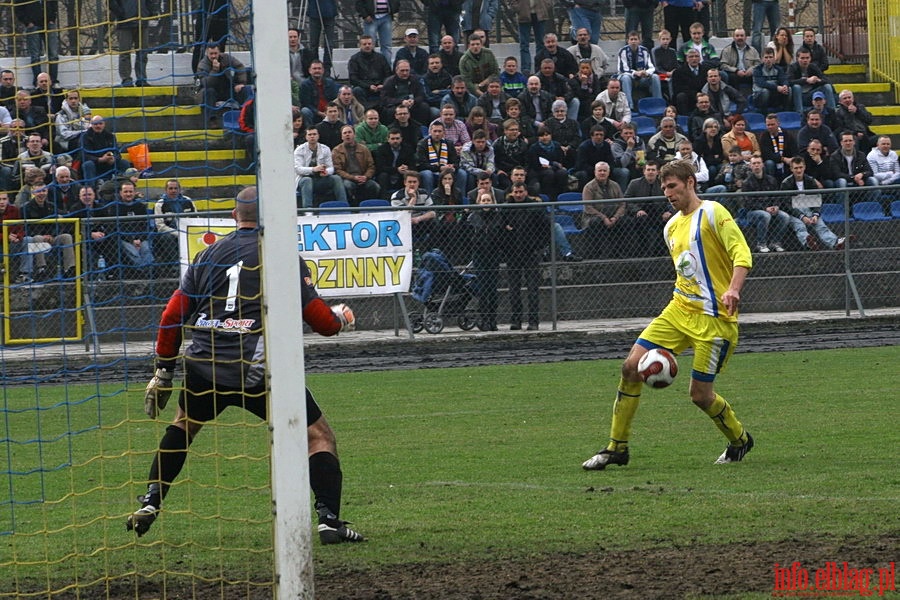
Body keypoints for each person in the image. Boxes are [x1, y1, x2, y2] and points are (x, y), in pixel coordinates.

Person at [130, 187, 364, 545]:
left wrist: (163, 369)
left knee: (184, 425)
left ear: (234, 217)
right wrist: (341, 318)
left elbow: (172, 315)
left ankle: (151, 500)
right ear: (269, 217)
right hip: (254, 370)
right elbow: (322, 323)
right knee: (318, 437)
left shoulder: (207, 254)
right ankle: (329, 522)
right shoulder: (281, 254)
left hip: (203, 362)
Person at [582, 159, 754, 471]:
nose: (667, 192)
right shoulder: (670, 226)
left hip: (714, 319)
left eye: (672, 186)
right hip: (678, 310)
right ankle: (616, 447)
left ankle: (740, 439)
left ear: (690, 182)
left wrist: (733, 289)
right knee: (630, 367)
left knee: (700, 396)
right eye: (663, 188)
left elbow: (741, 253)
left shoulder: (714, 213)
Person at [503, 182, 547, 330]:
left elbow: (545, 229)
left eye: (521, 192)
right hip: (512, 254)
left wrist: (538, 247)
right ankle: (516, 320)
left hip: (531, 253)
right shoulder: (506, 208)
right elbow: (501, 229)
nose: (518, 195)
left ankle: (533, 321)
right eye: (516, 192)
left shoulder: (535, 208)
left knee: (533, 289)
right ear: (512, 193)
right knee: (514, 289)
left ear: (526, 192)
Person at [780, 156, 847, 251]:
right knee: (799, 226)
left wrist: (815, 214)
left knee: (820, 224)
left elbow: (817, 201)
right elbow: (786, 205)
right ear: (791, 169)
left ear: (804, 167)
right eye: (796, 168)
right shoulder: (786, 183)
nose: (799, 170)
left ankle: (835, 242)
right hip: (793, 212)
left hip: (808, 208)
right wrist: (802, 216)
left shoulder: (810, 181)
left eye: (800, 167)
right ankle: (808, 242)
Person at [19, 184, 76, 280]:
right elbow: (25, 228)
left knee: (67, 237)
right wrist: (43, 235)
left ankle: (69, 268)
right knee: (38, 238)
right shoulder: (25, 208)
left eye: (43, 191)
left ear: (47, 192)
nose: (41, 194)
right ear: (33, 192)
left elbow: (58, 225)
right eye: (38, 191)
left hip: (52, 237)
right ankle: (42, 268)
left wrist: (52, 235)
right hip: (35, 238)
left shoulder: (52, 206)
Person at [466, 190, 503, 331]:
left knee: (492, 288)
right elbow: (467, 235)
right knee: (483, 288)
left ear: (492, 202)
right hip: (479, 255)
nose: (486, 203)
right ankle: (483, 318)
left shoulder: (498, 217)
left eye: (488, 200)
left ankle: (493, 319)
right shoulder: (472, 217)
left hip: (493, 255)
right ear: (479, 202)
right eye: (483, 200)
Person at [196, 44, 253, 128]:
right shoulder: (202, 65)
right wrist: (215, 70)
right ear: (207, 53)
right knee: (208, 92)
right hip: (211, 91)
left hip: (227, 88)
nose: (214, 56)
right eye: (211, 54)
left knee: (245, 89)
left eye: (215, 53)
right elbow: (206, 83)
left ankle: (245, 115)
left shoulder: (226, 58)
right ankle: (212, 120)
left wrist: (240, 83)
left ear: (219, 52)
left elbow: (239, 67)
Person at [623, 160, 670, 256]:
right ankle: (642, 252)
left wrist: (669, 211)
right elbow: (627, 199)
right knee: (641, 222)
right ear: (644, 171)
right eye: (648, 170)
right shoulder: (634, 183)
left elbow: (671, 198)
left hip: (659, 214)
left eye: (653, 170)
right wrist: (637, 210)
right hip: (641, 215)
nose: (650, 172)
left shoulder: (664, 184)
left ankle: (660, 252)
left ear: (658, 172)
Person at [743, 154, 788, 253]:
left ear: (763, 165)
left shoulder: (771, 180)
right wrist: (765, 208)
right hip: (752, 212)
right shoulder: (746, 183)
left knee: (785, 216)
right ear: (750, 166)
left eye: (758, 163)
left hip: (770, 209)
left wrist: (776, 206)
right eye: (754, 163)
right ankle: (761, 244)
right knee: (765, 215)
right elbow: (748, 203)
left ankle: (775, 242)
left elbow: (776, 197)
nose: (756, 165)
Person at [580, 160, 626, 258]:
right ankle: (601, 254)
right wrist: (604, 218)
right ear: (595, 172)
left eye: (604, 171)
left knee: (627, 222)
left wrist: (615, 217)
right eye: (600, 171)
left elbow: (622, 204)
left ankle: (624, 253)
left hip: (613, 216)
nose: (602, 173)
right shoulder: (588, 187)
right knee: (597, 222)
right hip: (593, 217)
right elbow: (588, 207)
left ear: (608, 173)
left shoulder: (615, 185)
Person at [294, 128, 347, 209]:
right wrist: (313, 169)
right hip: (303, 179)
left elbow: (331, 168)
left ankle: (344, 206)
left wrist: (326, 172)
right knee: (307, 180)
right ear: (306, 137)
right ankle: (308, 210)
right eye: (310, 135)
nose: (312, 136)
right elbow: (298, 169)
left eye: (314, 134)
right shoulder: (299, 150)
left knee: (336, 178)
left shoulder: (325, 149)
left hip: (320, 178)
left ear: (318, 136)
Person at [107, 180, 154, 271]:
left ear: (134, 192)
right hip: (123, 239)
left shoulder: (140, 206)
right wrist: (131, 240)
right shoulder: (114, 207)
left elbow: (145, 225)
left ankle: (148, 273)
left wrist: (139, 239)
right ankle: (143, 273)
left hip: (140, 238)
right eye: (126, 192)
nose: (128, 194)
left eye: (130, 191)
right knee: (134, 253)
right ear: (120, 193)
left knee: (146, 250)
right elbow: (114, 227)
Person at [109, 0, 155, 86]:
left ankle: (141, 79)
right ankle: (126, 79)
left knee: (142, 52)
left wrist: (149, 11)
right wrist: (121, 14)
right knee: (125, 52)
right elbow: (111, 3)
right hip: (125, 24)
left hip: (142, 22)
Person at [332, 124, 380, 204]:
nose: (347, 134)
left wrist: (366, 176)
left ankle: (369, 207)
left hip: (363, 177)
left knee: (375, 186)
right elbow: (338, 170)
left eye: (349, 132)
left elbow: (371, 166)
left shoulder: (364, 149)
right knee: (347, 186)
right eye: (345, 133)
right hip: (348, 178)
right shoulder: (337, 150)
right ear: (341, 137)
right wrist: (353, 177)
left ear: (354, 134)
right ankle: (352, 208)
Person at [15, 0, 60, 85]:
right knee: (35, 55)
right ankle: (37, 81)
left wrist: (52, 18)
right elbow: (18, 8)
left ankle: (53, 81)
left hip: (49, 23)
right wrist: (27, 22)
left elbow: (54, 3)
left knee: (53, 54)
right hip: (33, 25)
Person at [616, 31, 662, 111]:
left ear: (639, 41)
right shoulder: (623, 51)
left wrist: (646, 73)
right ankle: (629, 106)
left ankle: (658, 103)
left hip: (642, 78)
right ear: (628, 40)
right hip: (629, 78)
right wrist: (635, 73)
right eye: (631, 39)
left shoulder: (644, 50)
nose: (633, 41)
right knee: (626, 78)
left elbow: (651, 67)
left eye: (635, 39)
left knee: (655, 76)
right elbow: (622, 69)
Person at [80, 115, 130, 184]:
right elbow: (83, 155)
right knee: (87, 164)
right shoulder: (85, 137)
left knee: (124, 163)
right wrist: (100, 159)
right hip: (94, 165)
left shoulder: (110, 136)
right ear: (91, 124)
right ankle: (91, 190)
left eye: (100, 124)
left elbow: (117, 153)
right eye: (95, 124)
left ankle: (122, 187)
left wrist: (113, 159)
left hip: (109, 165)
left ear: (104, 124)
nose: (98, 126)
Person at [348, 35, 394, 109]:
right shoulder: (354, 59)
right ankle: (366, 111)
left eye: (369, 44)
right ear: (360, 45)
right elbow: (353, 78)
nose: (367, 46)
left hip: (380, 87)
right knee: (357, 90)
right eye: (364, 44)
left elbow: (388, 74)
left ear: (373, 45)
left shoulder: (381, 58)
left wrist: (383, 85)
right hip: (364, 88)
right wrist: (368, 86)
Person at [391, 171, 437, 244]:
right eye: (409, 182)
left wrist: (418, 219)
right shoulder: (396, 196)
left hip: (421, 222)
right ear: (405, 183)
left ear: (418, 183)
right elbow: (403, 216)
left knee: (435, 223)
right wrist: (413, 199)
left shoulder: (424, 193)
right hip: (404, 224)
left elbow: (432, 213)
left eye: (415, 182)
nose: (412, 184)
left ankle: (430, 248)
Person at [416, 121, 461, 195]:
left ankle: (458, 197)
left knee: (461, 173)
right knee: (427, 174)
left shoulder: (449, 143)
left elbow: (455, 161)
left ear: (443, 132)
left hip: (446, 171)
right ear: (430, 132)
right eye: (435, 131)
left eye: (439, 131)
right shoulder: (422, 144)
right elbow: (421, 164)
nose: (437, 134)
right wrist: (440, 168)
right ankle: (429, 198)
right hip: (429, 171)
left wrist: (452, 167)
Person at [381, 60, 431, 125]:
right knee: (389, 111)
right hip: (396, 105)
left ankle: (421, 128)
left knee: (424, 107)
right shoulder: (389, 81)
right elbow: (385, 99)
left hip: (412, 104)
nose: (405, 73)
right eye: (402, 70)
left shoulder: (415, 79)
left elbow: (421, 95)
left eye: (407, 70)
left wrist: (414, 101)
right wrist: (401, 101)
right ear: (396, 70)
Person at [829, 130, 878, 197]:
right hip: (844, 181)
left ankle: (872, 205)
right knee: (842, 182)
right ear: (841, 143)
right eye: (845, 141)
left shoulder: (861, 155)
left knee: (873, 180)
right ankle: (843, 206)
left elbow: (870, 172)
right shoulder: (834, 156)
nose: (848, 143)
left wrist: (862, 174)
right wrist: (854, 178)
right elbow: (836, 174)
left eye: (850, 140)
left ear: (854, 142)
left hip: (859, 181)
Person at [787, 48, 835, 114]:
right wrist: (806, 80)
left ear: (810, 58)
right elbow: (789, 81)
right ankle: (800, 113)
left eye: (807, 58)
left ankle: (832, 112)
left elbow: (826, 80)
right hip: (798, 96)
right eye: (802, 58)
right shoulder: (792, 67)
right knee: (796, 87)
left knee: (827, 86)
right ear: (797, 58)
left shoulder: (813, 66)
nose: (805, 60)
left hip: (811, 95)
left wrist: (818, 80)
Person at [526, 126, 567, 200]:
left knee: (562, 173)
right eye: (542, 135)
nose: (544, 137)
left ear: (551, 135)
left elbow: (560, 161)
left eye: (547, 135)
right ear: (538, 137)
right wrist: (553, 165)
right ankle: (548, 197)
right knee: (549, 173)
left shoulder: (557, 145)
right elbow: (535, 164)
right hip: (539, 171)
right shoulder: (534, 148)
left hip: (554, 168)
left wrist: (552, 165)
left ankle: (561, 197)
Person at [374, 127, 416, 198]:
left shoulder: (408, 149)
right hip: (387, 175)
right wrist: (397, 169)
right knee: (383, 176)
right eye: (392, 139)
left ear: (401, 139)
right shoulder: (381, 149)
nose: (395, 141)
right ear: (388, 139)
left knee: (409, 176)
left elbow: (413, 165)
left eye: (397, 138)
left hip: (401, 175)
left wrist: (407, 168)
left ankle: (407, 198)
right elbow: (380, 167)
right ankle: (384, 199)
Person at [514, 0, 552, 75]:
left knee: (541, 43)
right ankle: (525, 69)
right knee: (524, 44)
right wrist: (516, 7)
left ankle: (539, 66)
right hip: (523, 13)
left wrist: (547, 4)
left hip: (540, 12)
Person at [718, 28, 759, 94]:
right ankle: (736, 97)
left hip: (749, 74)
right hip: (734, 74)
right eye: (737, 36)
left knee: (757, 74)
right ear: (733, 37)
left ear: (745, 37)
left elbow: (758, 63)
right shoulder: (727, 50)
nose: (739, 38)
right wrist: (736, 70)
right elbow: (723, 65)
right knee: (731, 76)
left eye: (742, 35)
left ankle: (755, 97)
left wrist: (751, 69)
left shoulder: (753, 50)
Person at [299, 60, 340, 126]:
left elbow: (334, 99)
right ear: (310, 70)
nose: (317, 70)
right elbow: (306, 103)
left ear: (323, 70)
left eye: (319, 68)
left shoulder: (330, 82)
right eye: (314, 69)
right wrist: (319, 113)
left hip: (329, 110)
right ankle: (310, 132)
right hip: (313, 113)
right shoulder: (305, 85)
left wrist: (329, 111)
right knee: (305, 111)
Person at [751, 47, 791, 114]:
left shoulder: (778, 69)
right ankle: (764, 114)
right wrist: (777, 87)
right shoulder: (757, 70)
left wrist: (785, 86)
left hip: (774, 96)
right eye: (766, 57)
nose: (768, 59)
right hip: (759, 97)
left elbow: (784, 79)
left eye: (770, 57)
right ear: (762, 59)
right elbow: (761, 83)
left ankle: (786, 112)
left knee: (789, 89)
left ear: (774, 58)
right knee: (765, 91)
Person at [759, 113, 798, 179]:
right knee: (769, 163)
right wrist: (783, 159)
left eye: (772, 124)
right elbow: (766, 155)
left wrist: (792, 159)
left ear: (778, 124)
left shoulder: (787, 134)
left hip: (787, 161)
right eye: (768, 125)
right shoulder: (764, 136)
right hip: (772, 162)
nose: (770, 127)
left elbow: (794, 149)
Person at [493, 119, 529, 189]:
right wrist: (498, 170)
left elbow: (527, 162)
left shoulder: (523, 145)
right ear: (505, 131)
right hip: (504, 172)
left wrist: (523, 171)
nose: (515, 132)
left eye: (516, 130)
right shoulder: (497, 144)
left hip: (518, 171)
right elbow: (493, 160)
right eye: (512, 130)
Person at [671, 49, 709, 116]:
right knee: (681, 96)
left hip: (703, 96)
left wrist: (702, 94)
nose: (694, 58)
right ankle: (685, 118)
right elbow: (678, 89)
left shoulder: (706, 70)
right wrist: (695, 94)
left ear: (700, 58)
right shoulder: (678, 72)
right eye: (691, 57)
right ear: (687, 59)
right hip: (688, 98)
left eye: (696, 56)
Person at [54, 88, 91, 154]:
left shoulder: (83, 112)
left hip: (79, 140)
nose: (73, 101)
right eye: (70, 98)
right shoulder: (61, 115)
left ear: (79, 99)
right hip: (64, 143)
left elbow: (87, 127)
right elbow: (64, 134)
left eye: (75, 98)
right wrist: (82, 132)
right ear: (66, 100)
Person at [307, 0, 337, 76]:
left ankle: (326, 70)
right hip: (314, 11)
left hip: (329, 11)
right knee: (313, 44)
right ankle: (314, 67)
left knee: (329, 44)